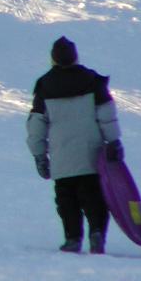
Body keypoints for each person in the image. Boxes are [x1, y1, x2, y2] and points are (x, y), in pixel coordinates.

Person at [26, 36, 125, 254]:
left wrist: (39, 155)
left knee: (66, 199)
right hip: (91, 154)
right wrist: (114, 140)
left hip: (62, 157)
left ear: (53, 59)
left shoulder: (44, 86)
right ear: (76, 57)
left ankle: (72, 238)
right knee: (94, 196)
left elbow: (36, 126)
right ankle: (96, 233)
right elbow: (107, 115)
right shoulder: (93, 81)